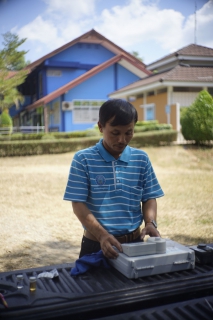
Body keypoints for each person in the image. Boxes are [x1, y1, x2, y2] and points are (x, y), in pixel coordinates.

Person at [63, 99, 164, 259]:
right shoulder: (83, 159)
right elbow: (78, 204)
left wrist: (150, 223)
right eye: (115, 133)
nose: (122, 140)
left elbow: (149, 197)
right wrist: (102, 235)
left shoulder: (141, 159)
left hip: (135, 244)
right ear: (101, 127)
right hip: (96, 244)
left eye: (128, 132)